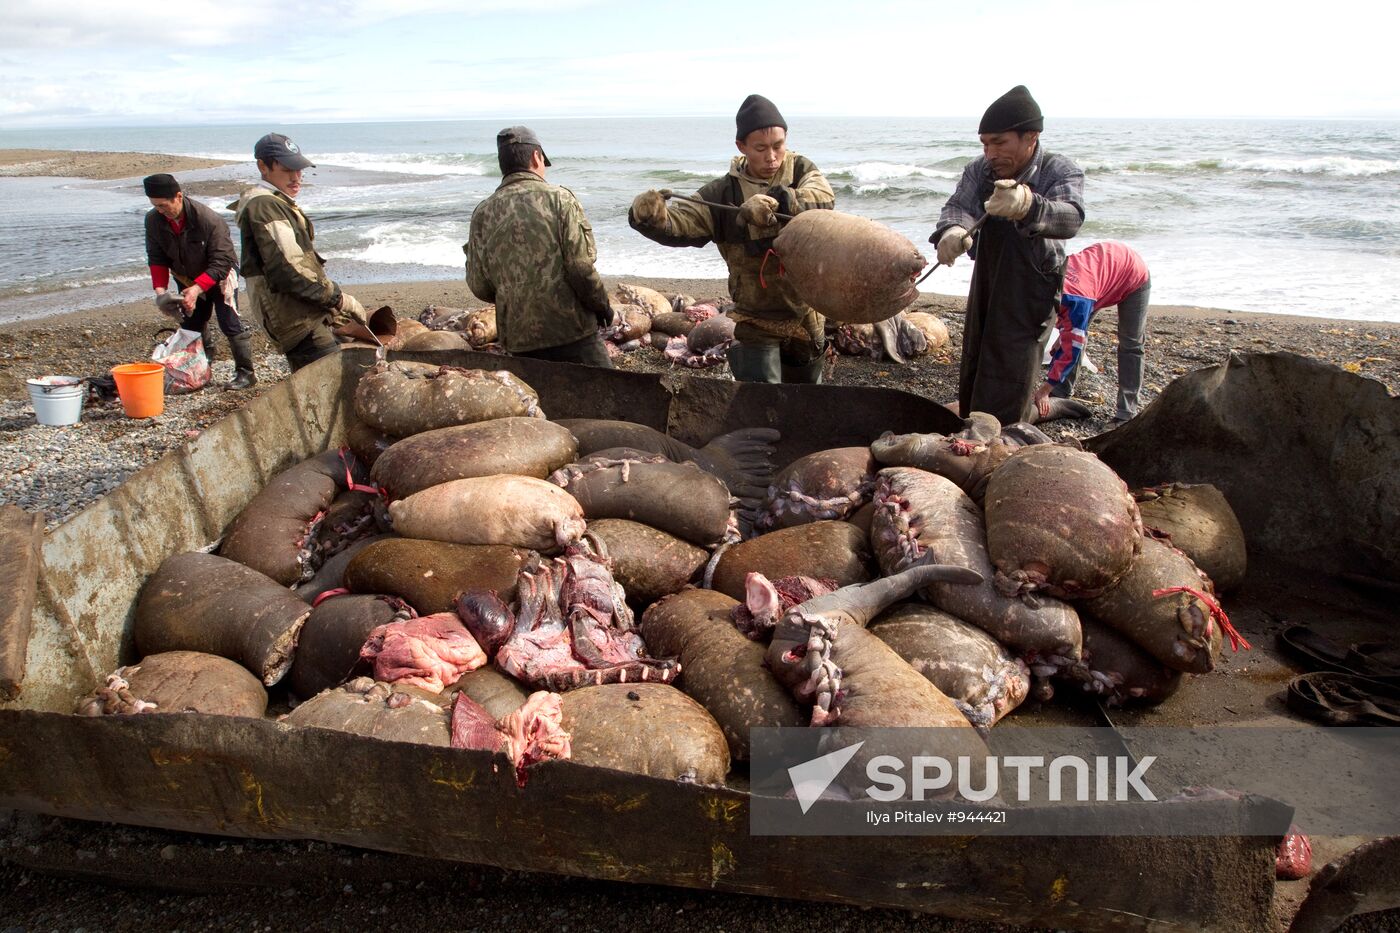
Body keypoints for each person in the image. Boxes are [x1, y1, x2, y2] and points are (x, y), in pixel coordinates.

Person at [629, 94, 835, 383]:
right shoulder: (721, 194)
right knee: (759, 400)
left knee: (808, 397)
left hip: (805, 311)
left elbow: (823, 199)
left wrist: (783, 201)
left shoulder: (801, 171)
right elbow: (684, 221)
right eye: (761, 148)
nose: (772, 156)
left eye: (778, 145)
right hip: (755, 315)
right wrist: (651, 218)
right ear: (741, 147)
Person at [931, 85, 1085, 424]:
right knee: (976, 359)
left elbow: (1072, 216)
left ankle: (1009, 435)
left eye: (999, 142)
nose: (990, 153)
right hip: (989, 276)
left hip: (1033, 284)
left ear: (1031, 136)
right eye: (985, 144)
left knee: (1012, 367)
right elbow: (959, 206)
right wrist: (952, 230)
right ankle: (971, 428)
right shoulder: (980, 171)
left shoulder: (1059, 170)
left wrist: (1029, 206)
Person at [465, 126, 615, 367]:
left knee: (535, 401)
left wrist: (516, 297)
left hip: (519, 336)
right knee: (608, 394)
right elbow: (580, 268)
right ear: (536, 157)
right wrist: (603, 307)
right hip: (572, 331)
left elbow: (479, 285)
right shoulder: (560, 199)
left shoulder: (482, 213)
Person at [231, 133, 368, 372]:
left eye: (299, 170)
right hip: (296, 319)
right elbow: (289, 270)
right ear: (263, 166)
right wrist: (338, 299)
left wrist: (329, 305)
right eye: (287, 170)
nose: (296, 178)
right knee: (329, 382)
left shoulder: (275, 201)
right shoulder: (265, 206)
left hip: (305, 311)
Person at [142, 173, 257, 390]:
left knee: (229, 323)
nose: (160, 211)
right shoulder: (153, 220)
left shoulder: (208, 219)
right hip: (186, 275)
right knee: (192, 322)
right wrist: (160, 292)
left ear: (178, 196)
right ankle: (202, 366)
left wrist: (197, 289)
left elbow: (222, 260)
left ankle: (246, 373)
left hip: (221, 274)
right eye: (155, 206)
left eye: (164, 205)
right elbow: (156, 257)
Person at [1035, 240, 1151, 423]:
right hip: (1098, 272)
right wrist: (1066, 332)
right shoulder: (1044, 279)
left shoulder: (1076, 302)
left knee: (1131, 344)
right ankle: (1062, 392)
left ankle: (1125, 413)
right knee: (1073, 334)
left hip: (1133, 274)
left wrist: (1044, 390)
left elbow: (1071, 347)